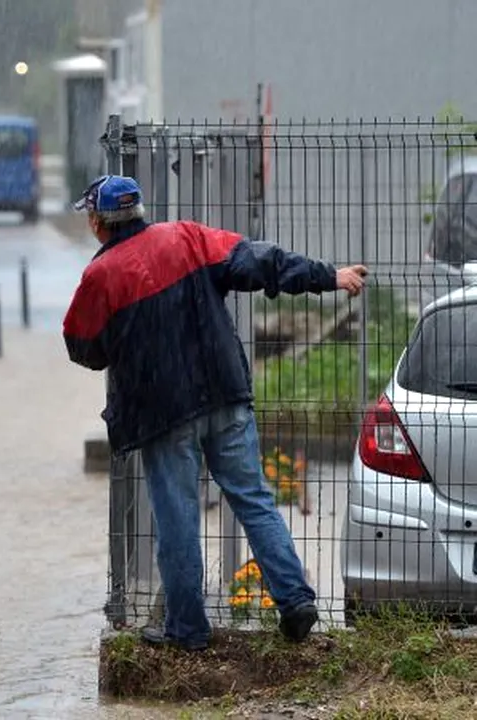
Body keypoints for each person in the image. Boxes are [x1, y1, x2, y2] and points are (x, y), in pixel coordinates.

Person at [62, 175, 369, 651]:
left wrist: (124, 342)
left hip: (164, 416)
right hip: (224, 395)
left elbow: (81, 346)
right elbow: (261, 262)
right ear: (139, 212)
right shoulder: (187, 237)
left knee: (178, 520)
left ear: (99, 223)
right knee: (254, 499)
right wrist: (328, 275)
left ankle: (187, 630)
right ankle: (295, 601)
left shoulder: (101, 276)